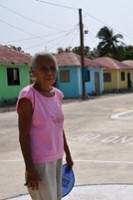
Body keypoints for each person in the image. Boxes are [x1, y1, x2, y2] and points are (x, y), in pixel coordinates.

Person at [17, 52, 74, 200]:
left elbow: (59, 128)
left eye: (52, 68)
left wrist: (67, 154)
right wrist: (30, 168)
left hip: (57, 158)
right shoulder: (28, 96)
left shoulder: (58, 95)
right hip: (39, 163)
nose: (49, 72)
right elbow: (23, 135)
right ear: (33, 72)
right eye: (43, 68)